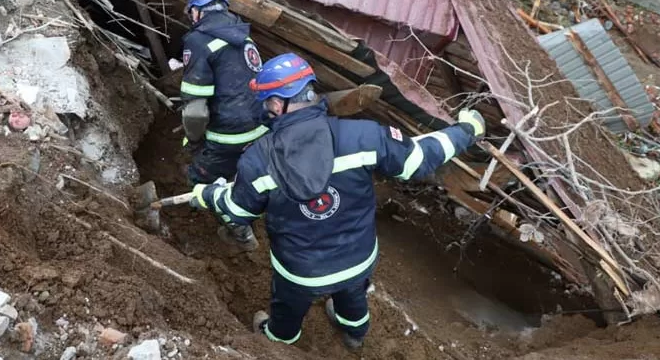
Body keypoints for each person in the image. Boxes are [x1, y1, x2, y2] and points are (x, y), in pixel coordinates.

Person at [189, 53, 485, 349]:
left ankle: (279, 341)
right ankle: (355, 333)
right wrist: (466, 130)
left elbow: (238, 211)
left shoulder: (258, 160)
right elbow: (419, 159)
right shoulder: (364, 135)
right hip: (358, 259)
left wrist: (209, 195)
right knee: (353, 295)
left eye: (267, 103)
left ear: (278, 105)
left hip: (300, 271)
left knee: (287, 307)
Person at [180, 0, 269, 252]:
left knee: (199, 178)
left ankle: (240, 234)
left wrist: (195, 141)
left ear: (197, 11)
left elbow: (195, 111)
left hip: (229, 133)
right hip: (261, 128)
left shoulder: (198, 41)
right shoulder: (243, 36)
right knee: (245, 174)